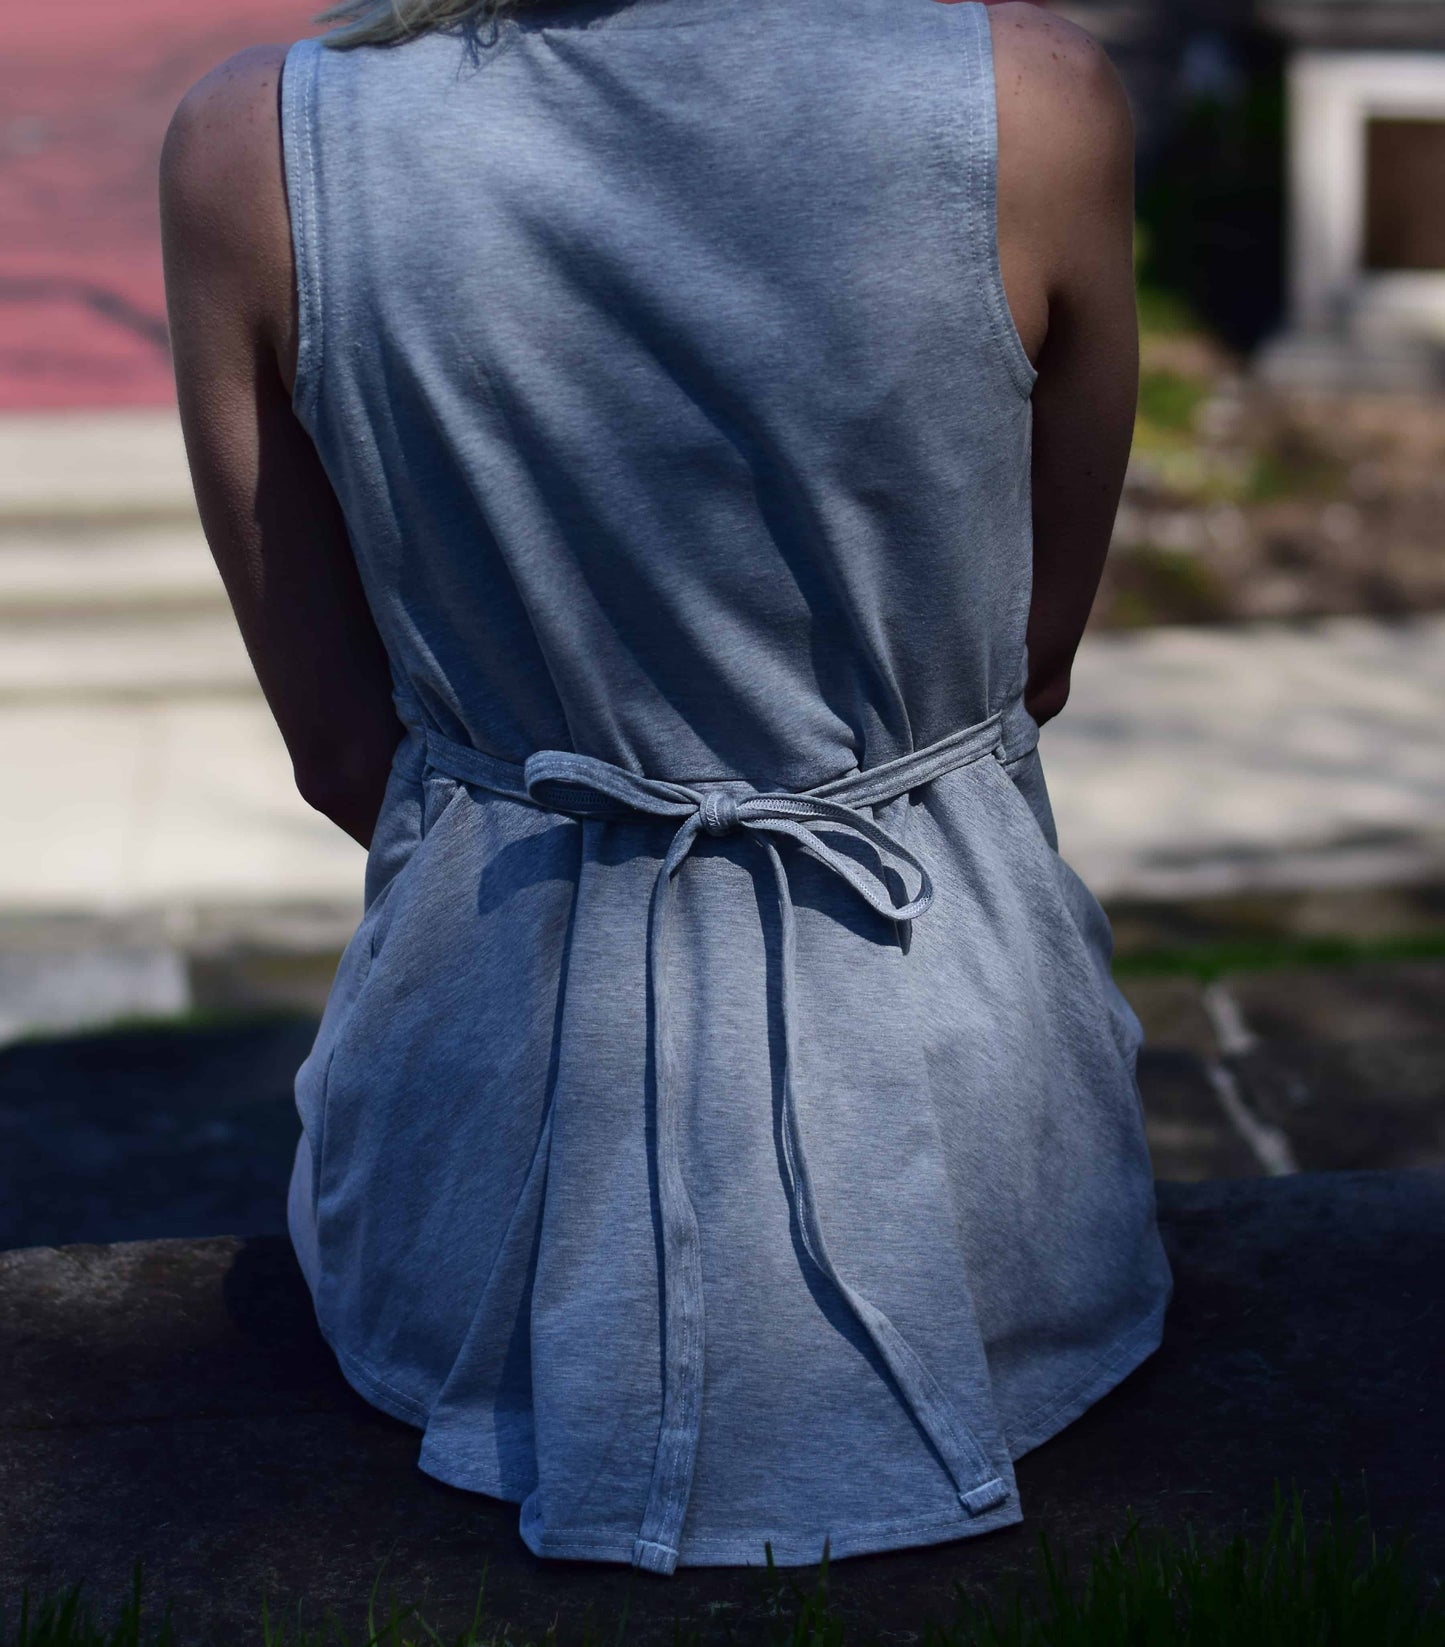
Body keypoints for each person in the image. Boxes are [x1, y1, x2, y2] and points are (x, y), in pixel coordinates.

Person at [160, 0, 1172, 1576]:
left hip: (479, 1176)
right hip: (987, 1190)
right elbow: (1029, 665)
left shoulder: (255, 147)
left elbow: (341, 752)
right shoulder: (1036, 103)